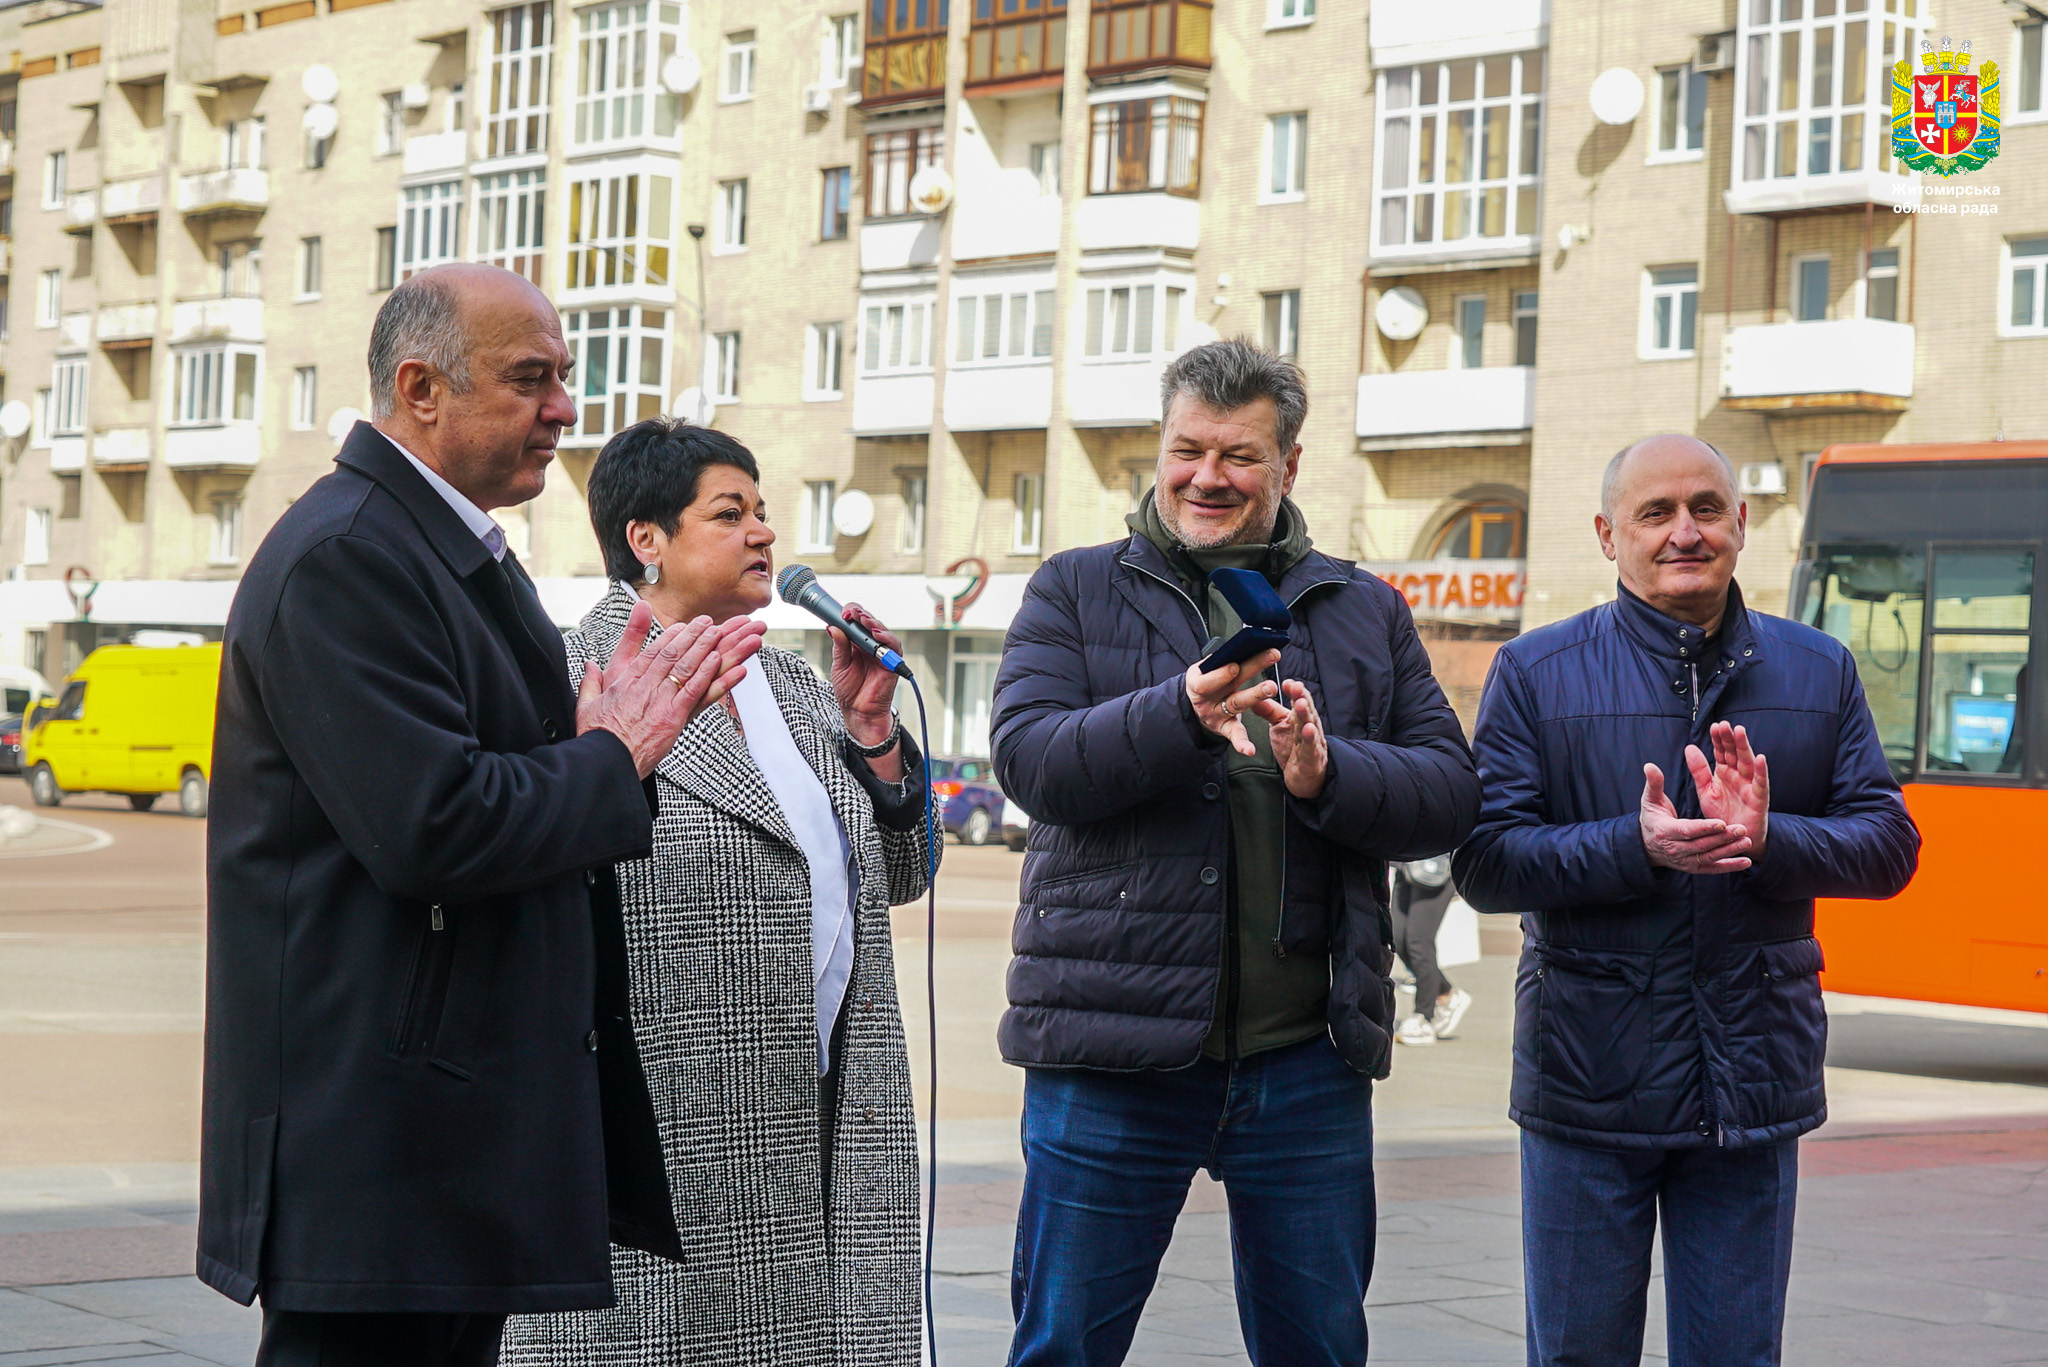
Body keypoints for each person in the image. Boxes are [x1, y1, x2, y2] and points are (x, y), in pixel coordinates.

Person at [199, 265, 764, 1367]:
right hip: (379, 1144)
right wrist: (613, 753)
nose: (564, 407)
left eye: (566, 378)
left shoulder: (442, 546)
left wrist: (593, 752)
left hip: (443, 1132)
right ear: (420, 387)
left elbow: (489, 788)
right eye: (530, 379)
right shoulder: (350, 555)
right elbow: (434, 824)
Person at [991, 338, 1480, 1366]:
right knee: (1062, 1346)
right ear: (1158, 452)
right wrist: (1174, 710)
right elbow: (1030, 762)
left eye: (1239, 455)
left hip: (1304, 1059)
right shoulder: (1073, 591)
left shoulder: (1362, 607)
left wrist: (1325, 775)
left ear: (1288, 465)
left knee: (1319, 1349)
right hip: (1110, 1058)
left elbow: (1446, 794)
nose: (1207, 475)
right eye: (1186, 449)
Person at [1453, 434, 1920, 1367]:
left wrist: (1770, 837)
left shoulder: (1818, 668)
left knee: (1737, 1355)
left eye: (1706, 508)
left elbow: (1890, 845)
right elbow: (1486, 861)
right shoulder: (1536, 671)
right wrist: (1637, 845)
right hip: (1588, 1084)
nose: (1684, 533)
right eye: (1654, 514)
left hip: (1749, 1083)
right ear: (1606, 534)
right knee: (1579, 1354)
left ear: (1741, 524)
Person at [500, 418, 935, 1367]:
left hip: (829, 1120)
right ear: (645, 540)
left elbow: (898, 879)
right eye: (729, 513)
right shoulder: (572, 677)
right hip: (674, 1128)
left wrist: (871, 731)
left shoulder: (794, 684)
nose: (763, 535)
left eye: (764, 512)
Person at [1389, 856, 1472, 1046]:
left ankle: (1423, 1016)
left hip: (1436, 865)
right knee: (1397, 938)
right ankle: (1446, 992)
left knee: (1418, 942)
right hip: (1405, 861)